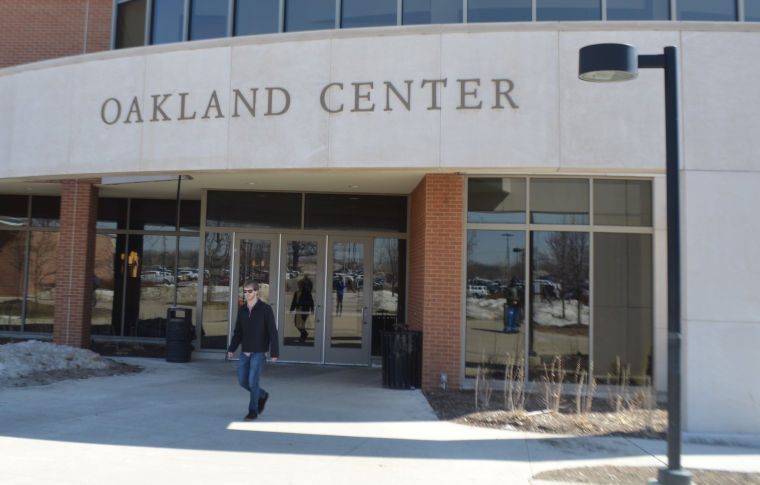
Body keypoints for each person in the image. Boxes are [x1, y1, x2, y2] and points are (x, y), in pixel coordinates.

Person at [227, 280, 279, 422]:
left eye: (250, 291)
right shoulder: (242, 310)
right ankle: (262, 395)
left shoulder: (265, 309)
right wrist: (232, 348)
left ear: (256, 292)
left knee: (252, 382)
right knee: (243, 381)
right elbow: (238, 332)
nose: (247, 294)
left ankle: (252, 411)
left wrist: (274, 352)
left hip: (259, 352)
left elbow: (273, 332)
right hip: (245, 352)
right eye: (245, 291)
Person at [290, 278, 314, 342]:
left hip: (304, 310)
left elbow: (311, 301)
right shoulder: (296, 292)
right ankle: (304, 333)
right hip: (298, 310)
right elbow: (294, 301)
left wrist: (312, 309)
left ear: (302, 285)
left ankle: (303, 336)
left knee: (302, 323)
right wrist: (291, 309)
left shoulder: (307, 292)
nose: (298, 286)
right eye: (298, 284)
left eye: (299, 284)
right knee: (296, 323)